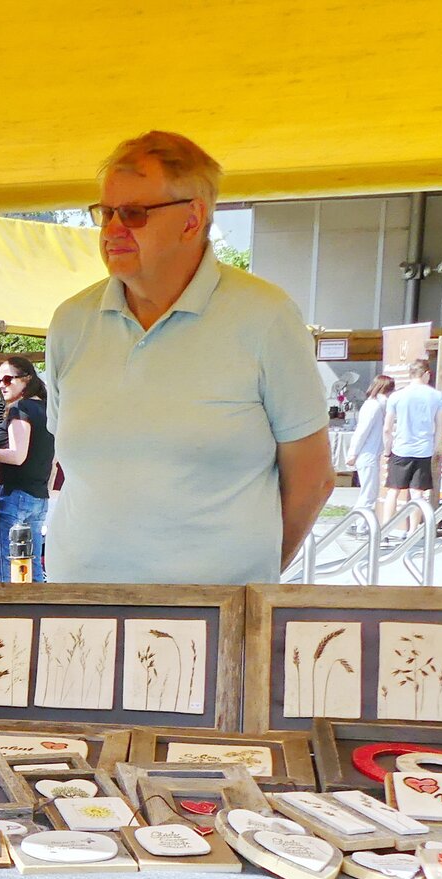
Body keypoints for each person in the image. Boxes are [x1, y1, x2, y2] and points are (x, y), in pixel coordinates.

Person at [46, 130, 333, 583]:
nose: (112, 230)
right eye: (106, 213)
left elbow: (313, 480)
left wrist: (249, 586)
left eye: (133, 214)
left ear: (192, 219)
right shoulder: (70, 322)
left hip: (215, 613)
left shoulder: (266, 317)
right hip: (82, 610)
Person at [0, 356, 55, 581]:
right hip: (38, 496)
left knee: (7, 570)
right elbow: (54, 459)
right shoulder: (47, 409)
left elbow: (17, 456)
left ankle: (8, 605)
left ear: (26, 378)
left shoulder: (21, 408)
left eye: (8, 379)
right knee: (32, 567)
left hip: (14, 495)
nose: (2, 385)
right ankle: (38, 605)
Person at [380, 360, 442, 522]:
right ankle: (413, 531)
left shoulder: (396, 396)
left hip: (401, 448)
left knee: (393, 491)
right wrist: (436, 449)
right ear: (426, 374)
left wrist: (387, 450)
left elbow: (387, 428)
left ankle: (385, 528)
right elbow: (440, 426)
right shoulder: (437, 396)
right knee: (418, 494)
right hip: (424, 450)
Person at [348, 375, 394, 512]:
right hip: (368, 454)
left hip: (370, 454)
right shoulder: (373, 406)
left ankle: (360, 521)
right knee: (368, 495)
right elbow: (362, 431)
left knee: (369, 493)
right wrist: (353, 453)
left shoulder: (375, 405)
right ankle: (360, 522)